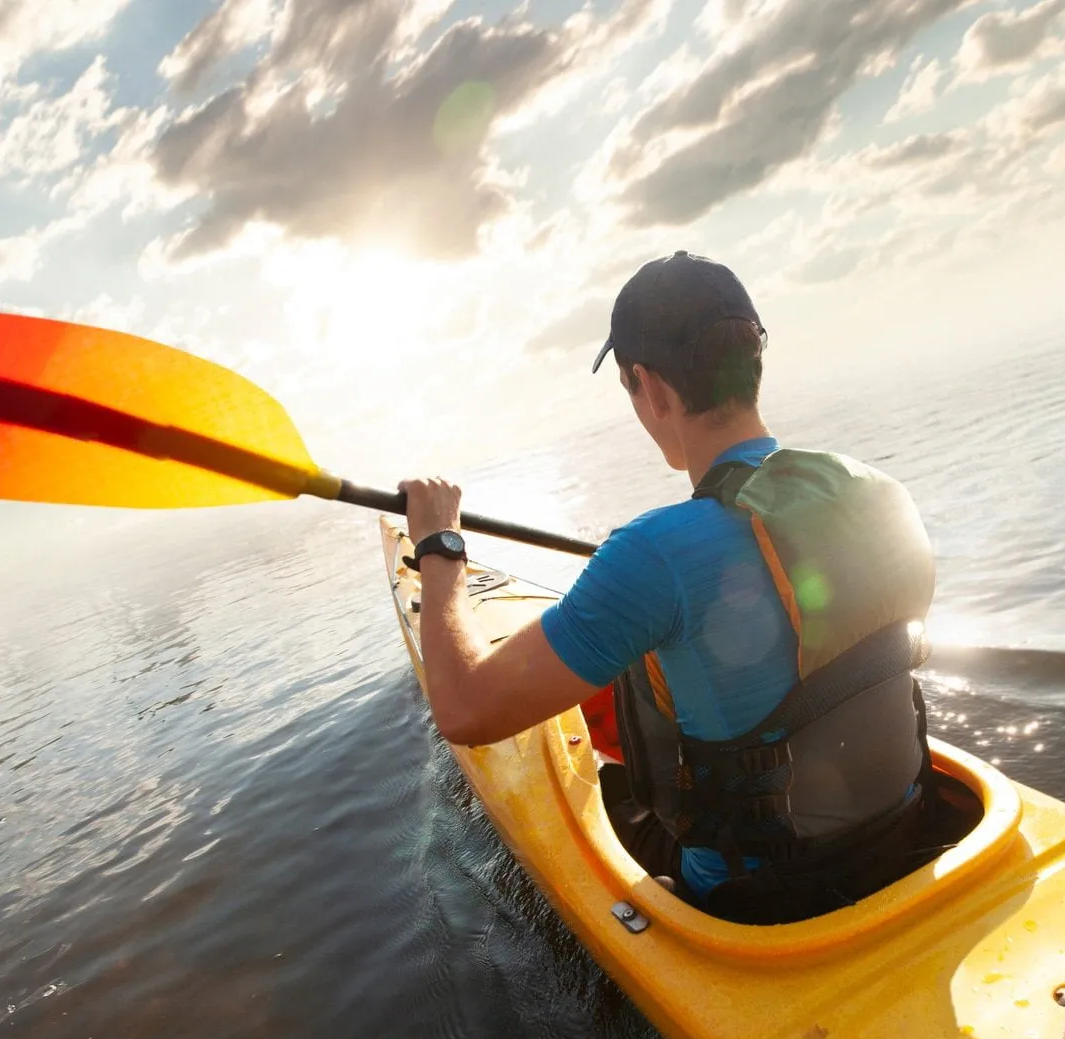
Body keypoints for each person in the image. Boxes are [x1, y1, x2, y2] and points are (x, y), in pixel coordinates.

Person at [401, 251, 950, 923]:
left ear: (651, 388)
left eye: (629, 389)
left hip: (760, 902)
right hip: (904, 832)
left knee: (603, 787)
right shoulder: (880, 493)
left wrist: (439, 544)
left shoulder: (654, 552)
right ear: (753, 362)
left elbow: (462, 711)